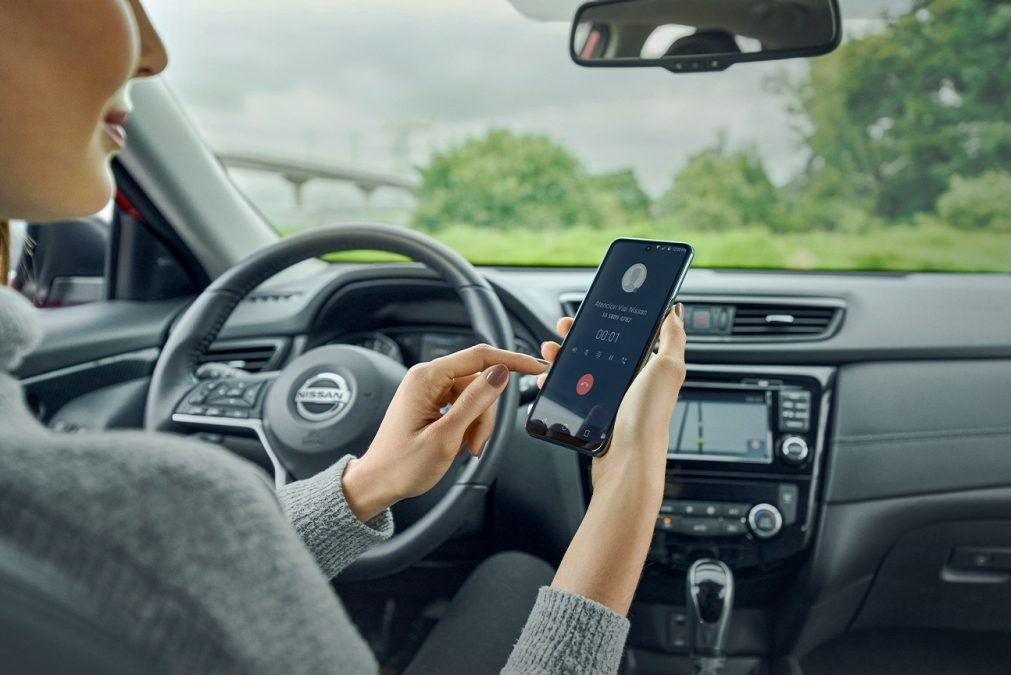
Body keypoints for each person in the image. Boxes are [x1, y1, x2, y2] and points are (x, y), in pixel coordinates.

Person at [0, 2, 687, 673]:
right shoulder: (177, 512)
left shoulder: (81, 527)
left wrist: (371, 481)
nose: (153, 52)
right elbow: (189, 569)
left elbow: (185, 584)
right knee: (517, 573)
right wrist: (628, 478)